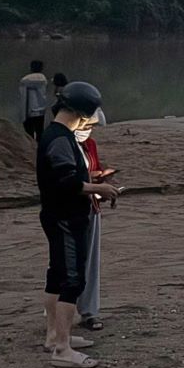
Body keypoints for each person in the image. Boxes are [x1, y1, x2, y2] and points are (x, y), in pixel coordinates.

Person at [37, 82, 119, 368]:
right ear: (80, 113)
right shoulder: (60, 139)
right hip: (65, 218)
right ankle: (62, 348)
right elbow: (66, 181)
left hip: (57, 215)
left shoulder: (57, 135)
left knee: (57, 275)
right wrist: (99, 188)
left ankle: (53, 336)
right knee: (72, 279)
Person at [76, 108, 113, 333]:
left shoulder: (90, 145)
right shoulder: (63, 143)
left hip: (91, 205)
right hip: (70, 209)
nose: (89, 130)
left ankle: (88, 310)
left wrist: (103, 185)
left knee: (90, 261)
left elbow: (94, 170)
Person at [20, 61, 50, 140]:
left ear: (31, 68)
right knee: (40, 132)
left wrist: (23, 115)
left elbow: (23, 98)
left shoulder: (25, 81)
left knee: (29, 135)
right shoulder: (43, 79)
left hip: (29, 112)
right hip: (41, 111)